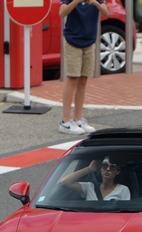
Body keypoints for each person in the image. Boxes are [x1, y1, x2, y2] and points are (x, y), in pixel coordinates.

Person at [58, 0, 110, 135]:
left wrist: (96, 4)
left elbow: (107, 13)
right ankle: (65, 122)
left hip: (89, 41)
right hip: (72, 40)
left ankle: (78, 119)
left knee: (83, 79)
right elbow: (62, 13)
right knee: (72, 78)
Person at [60, 157, 131, 200]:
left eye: (112, 167)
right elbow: (65, 181)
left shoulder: (123, 189)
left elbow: (125, 213)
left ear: (117, 172)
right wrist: (89, 169)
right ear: (100, 168)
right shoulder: (89, 187)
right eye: (104, 166)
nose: (108, 169)